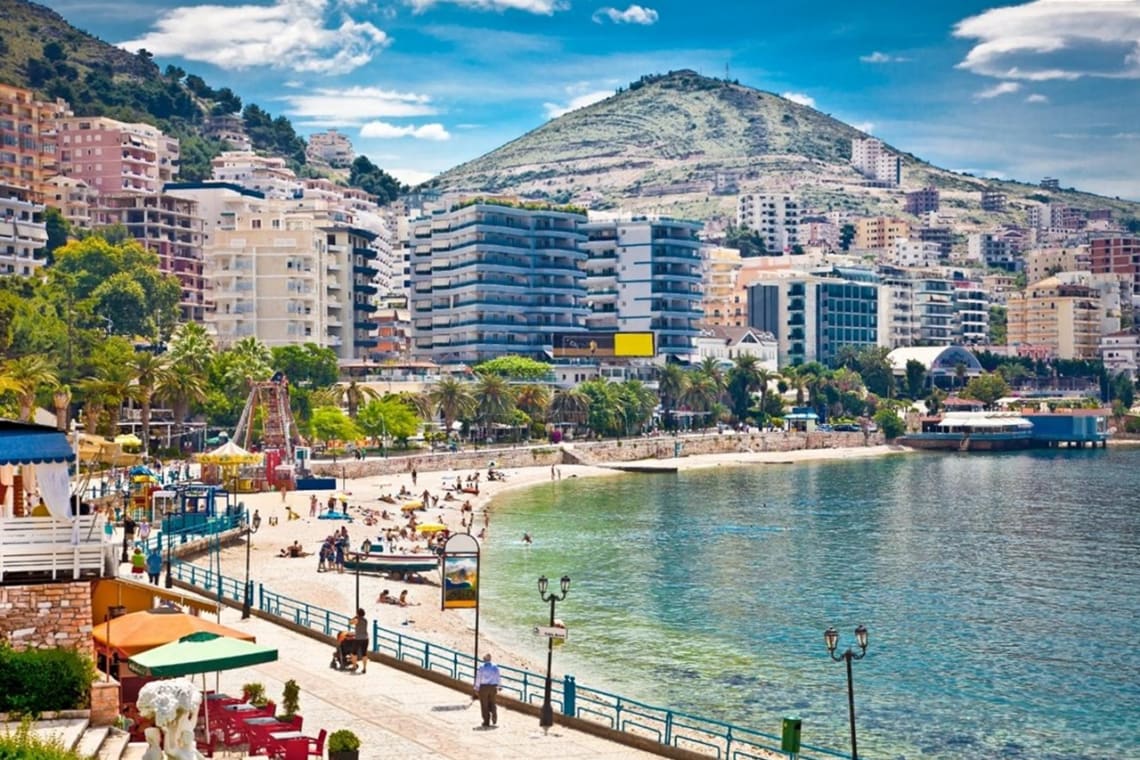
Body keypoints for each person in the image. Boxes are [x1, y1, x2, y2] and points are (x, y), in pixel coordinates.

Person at [473, 653, 502, 727]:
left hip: (483, 687)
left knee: (484, 704)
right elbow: (498, 677)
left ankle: (486, 721)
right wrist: (499, 686)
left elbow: (478, 678)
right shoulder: (495, 667)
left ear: (484, 660)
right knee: (493, 702)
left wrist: (476, 688)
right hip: (493, 687)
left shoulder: (481, 667)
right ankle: (494, 716)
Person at [351, 608, 369, 674]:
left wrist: (354, 617)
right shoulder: (365, 620)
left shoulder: (357, 620)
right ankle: (364, 668)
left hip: (358, 638)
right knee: (364, 654)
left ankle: (354, 666)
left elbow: (350, 622)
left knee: (354, 653)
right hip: (365, 638)